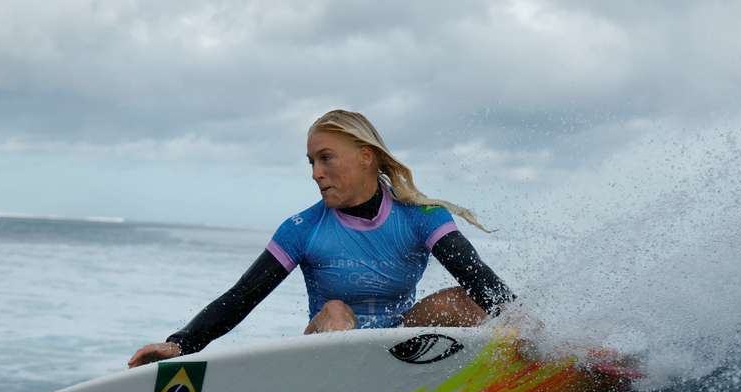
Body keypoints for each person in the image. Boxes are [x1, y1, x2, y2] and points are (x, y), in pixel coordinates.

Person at [128, 110, 516, 368]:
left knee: (462, 301)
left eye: (326, 158)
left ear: (366, 157)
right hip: (328, 352)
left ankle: (510, 373)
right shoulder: (303, 229)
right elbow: (241, 297)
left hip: (398, 346)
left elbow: (478, 276)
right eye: (311, 162)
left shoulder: (420, 216)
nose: (316, 172)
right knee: (335, 310)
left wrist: (536, 332)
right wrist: (181, 344)